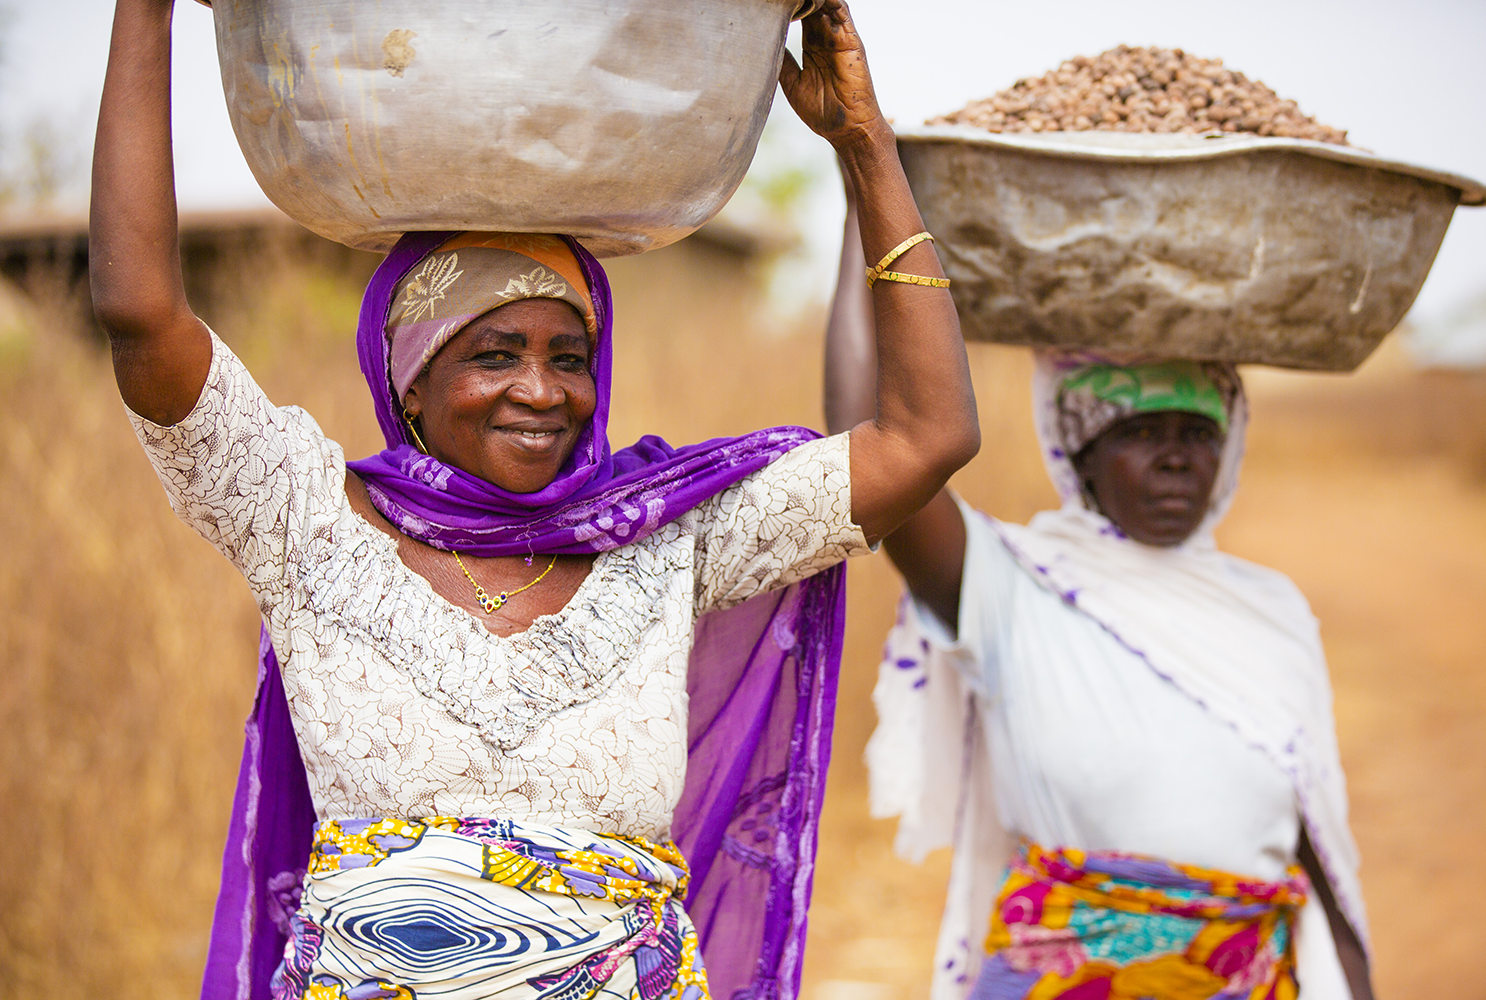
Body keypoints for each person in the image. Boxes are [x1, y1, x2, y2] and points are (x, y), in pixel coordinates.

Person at [89, 1, 979, 997]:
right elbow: (140, 314)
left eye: (571, 356)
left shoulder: (668, 540)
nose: (542, 391)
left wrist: (863, 144)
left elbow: (927, 437)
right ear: (409, 379)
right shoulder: (304, 520)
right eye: (494, 355)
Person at [824, 197, 1375, 1000]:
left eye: (1195, 434)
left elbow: (1317, 841)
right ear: (1081, 456)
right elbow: (869, 445)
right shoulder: (1012, 583)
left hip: (1247, 975)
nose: (1175, 460)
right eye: (1141, 433)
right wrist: (868, 192)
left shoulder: (1271, 613)